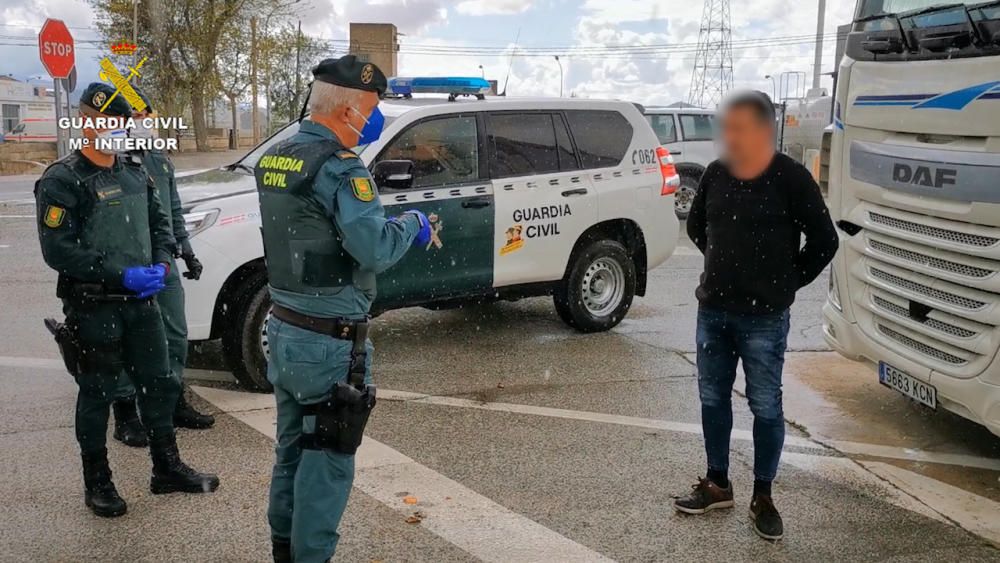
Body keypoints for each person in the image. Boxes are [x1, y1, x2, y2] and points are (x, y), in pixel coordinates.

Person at [254, 56, 431, 562]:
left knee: (291, 452)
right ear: (350, 109)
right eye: (374, 109)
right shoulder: (340, 167)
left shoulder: (279, 156)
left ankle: (284, 552)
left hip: (286, 327)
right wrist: (411, 225)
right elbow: (372, 248)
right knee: (327, 465)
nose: (377, 120)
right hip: (328, 341)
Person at [35, 82, 219, 518]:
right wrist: (121, 274)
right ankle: (98, 482)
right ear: (85, 121)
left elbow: (159, 224)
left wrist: (160, 262)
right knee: (97, 394)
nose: (111, 128)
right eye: (102, 121)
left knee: (158, 384)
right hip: (95, 306)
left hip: (143, 305)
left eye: (118, 121)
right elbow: (57, 249)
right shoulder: (64, 179)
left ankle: (166, 469)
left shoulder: (136, 171)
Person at [674, 91, 838, 540]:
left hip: (764, 319)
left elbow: (825, 241)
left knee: (766, 405)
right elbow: (696, 226)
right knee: (712, 397)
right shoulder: (716, 173)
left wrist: (786, 285)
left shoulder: (791, 177)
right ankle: (717, 482)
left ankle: (763, 495)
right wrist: (720, 266)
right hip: (714, 312)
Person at [110, 89, 214, 449]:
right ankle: (125, 414)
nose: (141, 121)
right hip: (127, 263)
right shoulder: (111, 158)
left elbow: (172, 206)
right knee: (126, 339)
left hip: (163, 259)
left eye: (145, 114)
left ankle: (172, 402)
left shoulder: (158, 157)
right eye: (133, 115)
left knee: (175, 333)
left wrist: (185, 247)